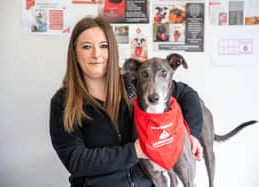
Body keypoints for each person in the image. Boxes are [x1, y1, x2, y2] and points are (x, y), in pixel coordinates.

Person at [49, 16, 203, 187]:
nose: (96, 54)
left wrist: (192, 135)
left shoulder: (133, 82)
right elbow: (76, 161)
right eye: (86, 47)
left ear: (112, 51)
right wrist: (135, 151)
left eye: (103, 46)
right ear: (75, 53)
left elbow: (188, 95)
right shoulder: (63, 102)